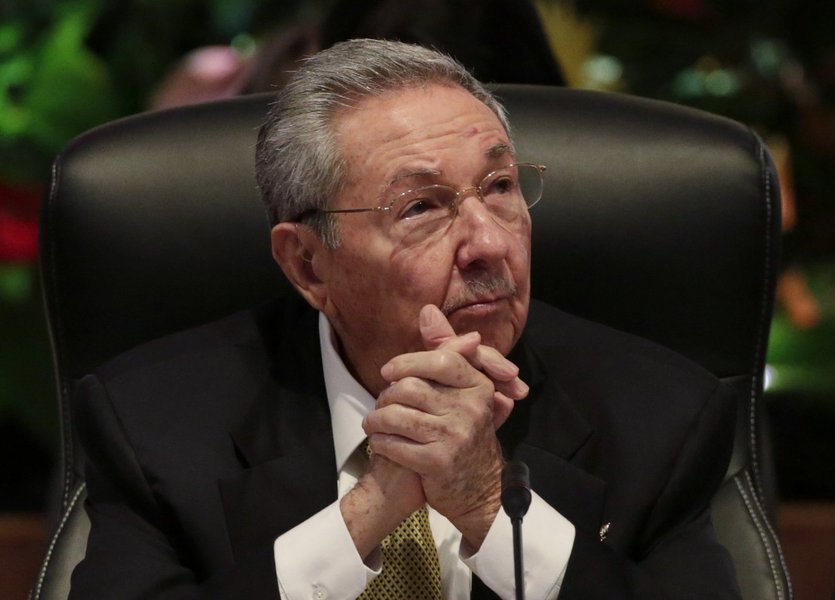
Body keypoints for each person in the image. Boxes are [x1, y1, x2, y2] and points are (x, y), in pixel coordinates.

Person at [69, 39, 740, 599]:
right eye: (421, 207)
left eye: (500, 187)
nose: (489, 243)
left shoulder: (658, 416)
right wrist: (370, 506)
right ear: (307, 265)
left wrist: (484, 501)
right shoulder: (154, 423)